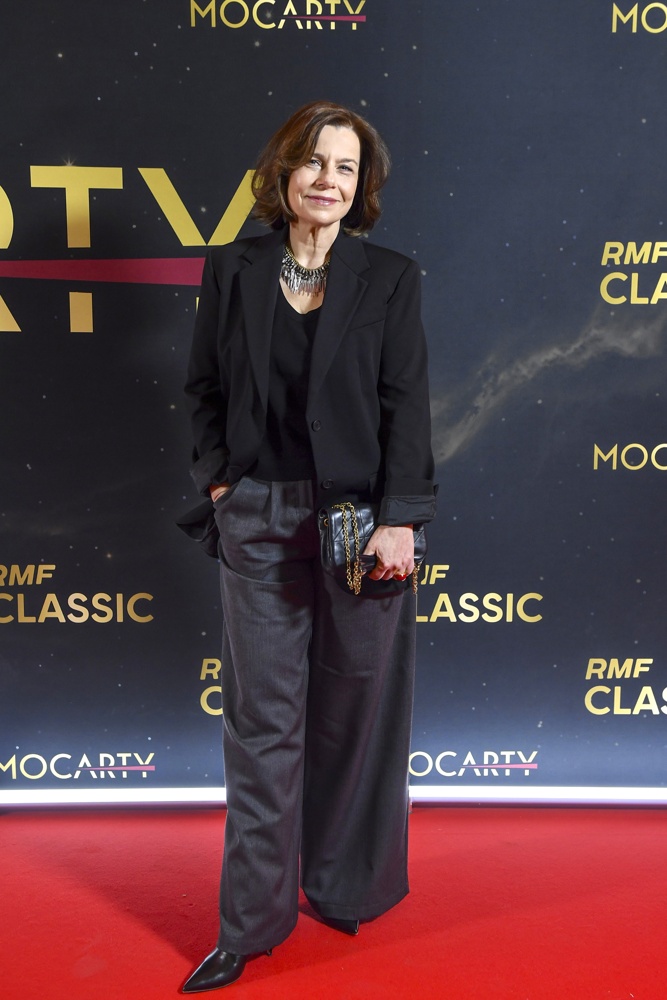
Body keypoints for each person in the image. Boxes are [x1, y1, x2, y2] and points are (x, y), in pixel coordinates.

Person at [181, 100, 436, 993]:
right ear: (285, 171)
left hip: (361, 524)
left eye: (346, 168)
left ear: (362, 187)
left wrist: (401, 518)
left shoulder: (390, 277)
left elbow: (406, 404)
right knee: (261, 725)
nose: (329, 180)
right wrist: (222, 483)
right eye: (315, 162)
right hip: (256, 515)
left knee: (353, 714)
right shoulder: (233, 268)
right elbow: (203, 387)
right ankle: (248, 925)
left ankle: (342, 885)